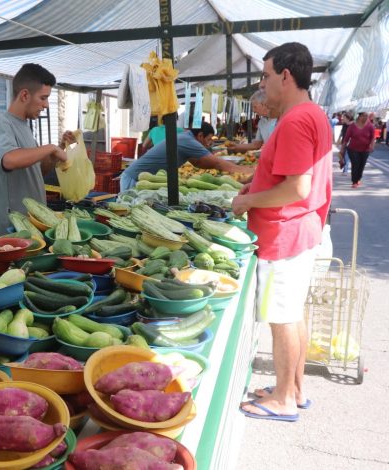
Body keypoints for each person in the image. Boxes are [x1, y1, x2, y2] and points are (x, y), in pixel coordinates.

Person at [232, 42, 332, 423]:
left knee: (283, 317)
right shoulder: (312, 114)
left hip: (284, 233)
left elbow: (296, 188)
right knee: (294, 313)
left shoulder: (294, 120)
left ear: (286, 76)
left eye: (267, 75)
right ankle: (294, 389)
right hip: (301, 231)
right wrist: (255, 189)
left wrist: (249, 202)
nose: (264, 82)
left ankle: (284, 399)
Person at [0, 63, 71, 236]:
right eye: (43, 98)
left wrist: (59, 147)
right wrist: (50, 148)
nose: (46, 105)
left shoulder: (24, 126)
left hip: (31, 225)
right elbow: (10, 160)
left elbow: (37, 171)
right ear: (25, 95)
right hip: (12, 229)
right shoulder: (3, 123)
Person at [119, 122, 253, 191]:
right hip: (134, 178)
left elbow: (198, 163)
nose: (210, 143)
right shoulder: (187, 140)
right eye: (209, 139)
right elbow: (217, 163)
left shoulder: (185, 138)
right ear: (200, 135)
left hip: (140, 178)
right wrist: (247, 170)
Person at [340, 111, 375, 188]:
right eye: (364, 115)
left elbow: (372, 137)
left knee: (361, 166)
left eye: (367, 115)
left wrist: (372, 146)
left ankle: (358, 178)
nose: (366, 117)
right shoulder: (352, 126)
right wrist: (342, 149)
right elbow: (346, 139)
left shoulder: (370, 126)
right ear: (359, 116)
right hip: (353, 150)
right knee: (355, 164)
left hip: (365, 150)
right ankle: (354, 181)